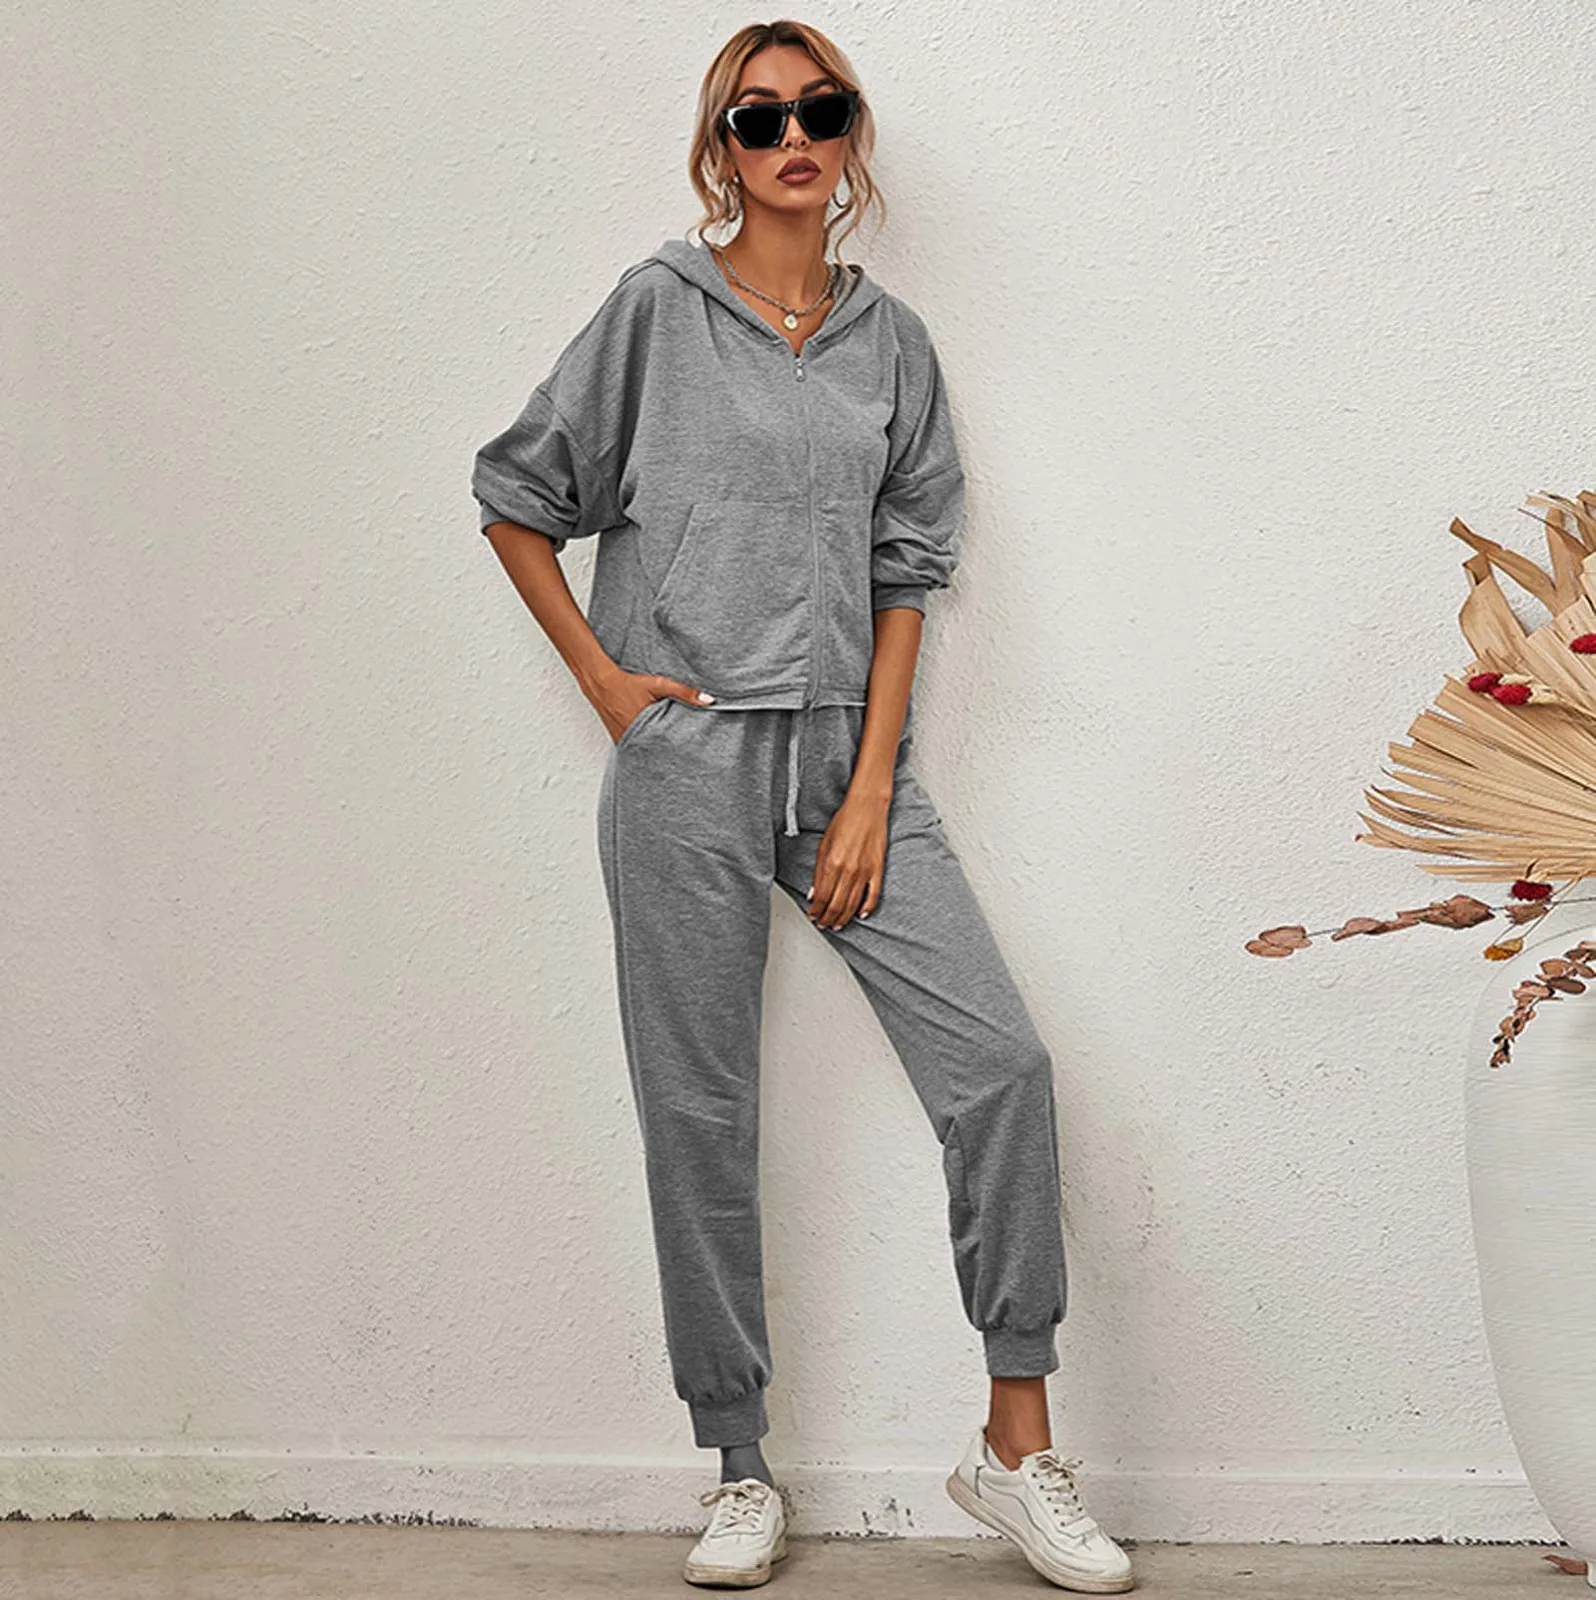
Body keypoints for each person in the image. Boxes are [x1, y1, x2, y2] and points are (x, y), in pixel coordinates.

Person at [470, 19, 1133, 1594]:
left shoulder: (891, 344)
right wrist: (607, 686)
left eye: (818, 112)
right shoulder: (655, 310)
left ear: (851, 138)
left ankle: (1016, 1444)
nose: (791, 139)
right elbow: (516, 496)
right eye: (757, 118)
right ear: (722, 147)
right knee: (699, 1115)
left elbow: (909, 567)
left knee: (1003, 1069)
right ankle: (739, 1466)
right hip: (686, 765)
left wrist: (872, 786)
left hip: (846, 761)